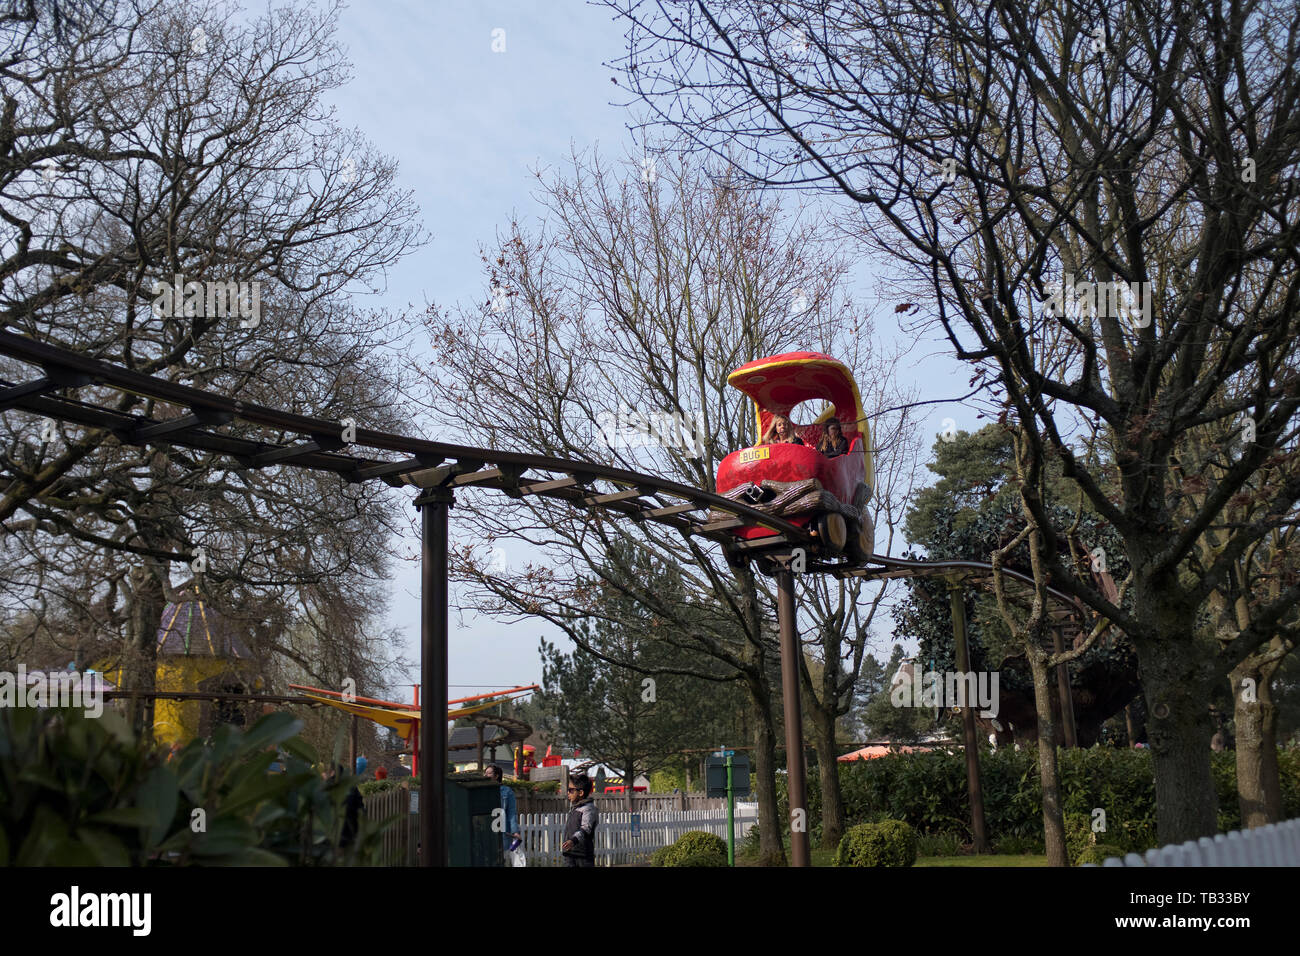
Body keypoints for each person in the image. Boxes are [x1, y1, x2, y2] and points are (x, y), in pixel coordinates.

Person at [483, 764, 521, 862]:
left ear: (496, 776)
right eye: (485, 773)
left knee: (500, 859)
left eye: (489, 773)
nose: (485, 775)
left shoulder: (507, 792)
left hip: (501, 831)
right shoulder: (482, 791)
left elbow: (511, 813)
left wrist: (515, 831)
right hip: (485, 831)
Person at [561, 772, 599, 867]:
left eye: (571, 790)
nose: (568, 793)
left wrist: (573, 840)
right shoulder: (574, 808)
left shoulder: (589, 809)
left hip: (583, 856)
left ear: (581, 793)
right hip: (570, 854)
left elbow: (586, 828)